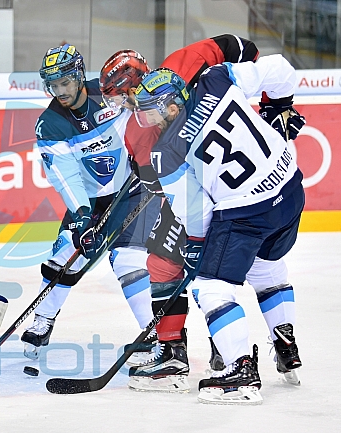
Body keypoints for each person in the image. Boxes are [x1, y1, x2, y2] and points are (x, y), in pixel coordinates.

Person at [132, 55, 305, 404]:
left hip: (247, 211)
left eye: (152, 111)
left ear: (169, 106)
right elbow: (282, 70)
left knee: (211, 288)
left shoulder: (166, 153)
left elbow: (196, 213)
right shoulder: (216, 78)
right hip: (289, 188)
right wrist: (278, 107)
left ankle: (240, 372)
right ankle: (286, 343)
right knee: (266, 267)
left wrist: (198, 248)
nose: (147, 120)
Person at [99, 35, 262, 392]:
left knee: (211, 276)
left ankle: (212, 351)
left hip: (230, 189)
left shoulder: (182, 64)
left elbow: (242, 47)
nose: (126, 105)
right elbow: (160, 186)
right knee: (171, 265)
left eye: (124, 94)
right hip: (206, 195)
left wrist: (262, 102)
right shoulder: (134, 129)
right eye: (118, 98)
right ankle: (180, 349)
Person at [21, 44, 162, 360]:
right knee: (63, 255)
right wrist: (83, 215)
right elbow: (66, 176)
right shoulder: (50, 124)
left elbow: (149, 115)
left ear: (79, 75)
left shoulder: (110, 91)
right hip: (89, 201)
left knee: (127, 261)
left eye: (65, 82)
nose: (60, 91)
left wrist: (146, 153)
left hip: (133, 188)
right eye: (53, 85)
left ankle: (154, 337)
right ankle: (44, 319)